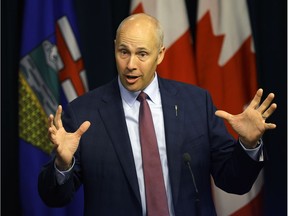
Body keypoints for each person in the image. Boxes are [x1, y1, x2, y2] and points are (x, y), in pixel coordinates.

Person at [38, 13, 277, 216]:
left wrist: (247, 144)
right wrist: (62, 164)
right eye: (124, 52)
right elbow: (54, 198)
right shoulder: (84, 112)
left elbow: (234, 181)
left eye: (142, 54)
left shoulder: (196, 102)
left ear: (160, 54)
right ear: (114, 48)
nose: (131, 64)